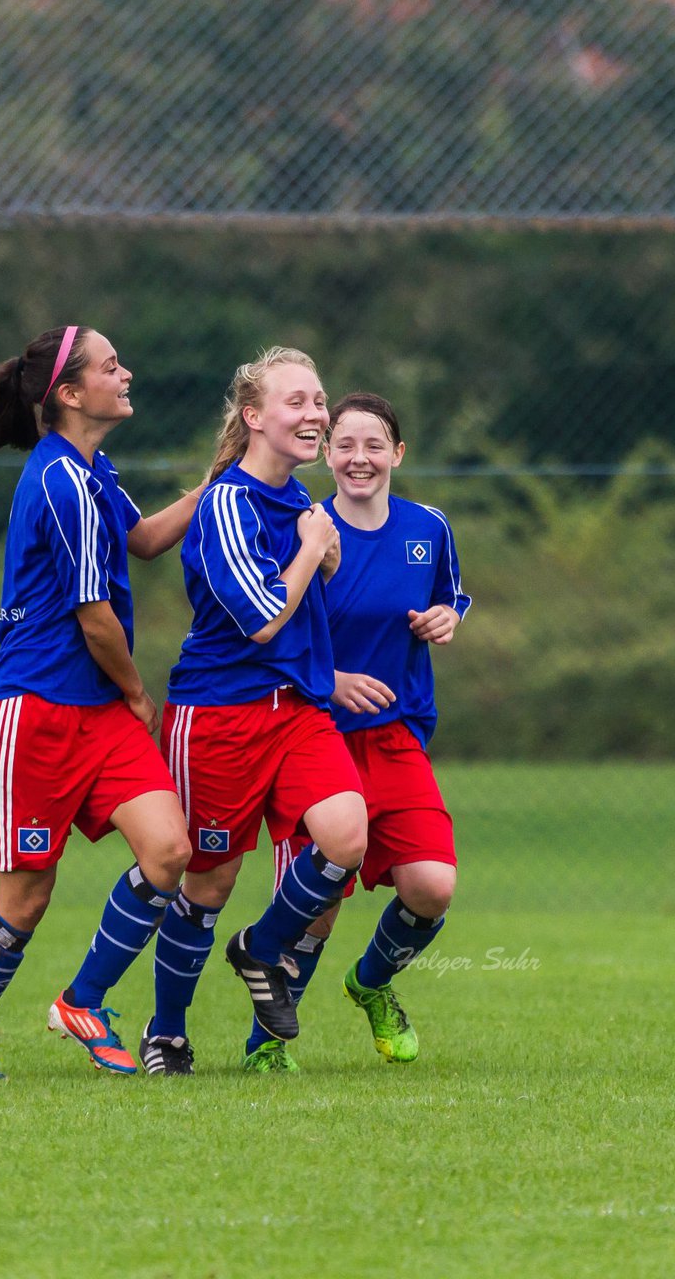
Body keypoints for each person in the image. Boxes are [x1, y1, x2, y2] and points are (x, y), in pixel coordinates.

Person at [0, 324, 199, 1082]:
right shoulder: (61, 481)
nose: (128, 372)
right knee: (26, 896)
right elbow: (95, 618)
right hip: (33, 710)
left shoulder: (94, 468)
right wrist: (140, 695)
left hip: (94, 711)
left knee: (169, 851)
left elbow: (143, 540)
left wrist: (227, 476)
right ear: (71, 394)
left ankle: (83, 1000)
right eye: (112, 367)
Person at [139, 347, 368, 1076]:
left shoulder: (301, 506)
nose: (314, 414)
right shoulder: (228, 502)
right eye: (296, 401)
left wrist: (320, 552)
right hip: (219, 717)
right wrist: (312, 552)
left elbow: (306, 614)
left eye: (318, 400)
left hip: (297, 712)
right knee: (207, 884)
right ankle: (166, 1034)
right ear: (254, 417)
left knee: (346, 835)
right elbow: (265, 616)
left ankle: (261, 946)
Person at [245, 391, 471, 1071]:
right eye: (344, 444)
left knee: (431, 886)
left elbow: (451, 594)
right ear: (328, 453)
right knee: (317, 911)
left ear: (397, 453)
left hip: (394, 736)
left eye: (374, 445)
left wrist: (446, 619)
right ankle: (267, 1047)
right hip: (314, 735)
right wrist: (331, 679)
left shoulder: (428, 527)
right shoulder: (305, 530)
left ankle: (371, 984)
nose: (359, 458)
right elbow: (267, 632)